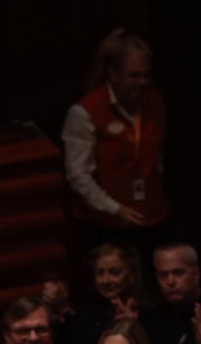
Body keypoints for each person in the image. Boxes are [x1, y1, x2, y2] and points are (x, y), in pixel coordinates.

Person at [62, 28, 166, 237]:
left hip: (151, 218)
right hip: (104, 224)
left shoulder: (155, 101)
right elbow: (78, 175)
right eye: (134, 75)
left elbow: (158, 155)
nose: (142, 82)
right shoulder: (85, 112)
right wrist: (115, 209)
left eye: (146, 75)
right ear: (113, 73)